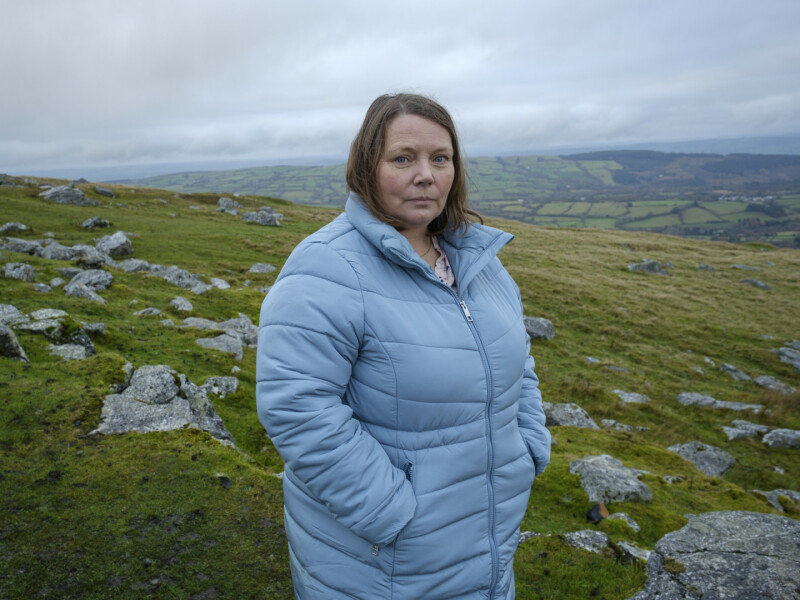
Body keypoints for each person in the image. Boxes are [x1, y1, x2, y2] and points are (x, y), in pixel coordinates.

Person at [256, 93, 550, 599]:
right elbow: (296, 406)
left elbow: (518, 361)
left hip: (486, 541)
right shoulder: (326, 266)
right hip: (385, 561)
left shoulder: (477, 260)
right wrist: (391, 513)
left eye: (441, 158)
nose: (426, 175)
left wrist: (528, 445)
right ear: (366, 167)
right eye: (402, 158)